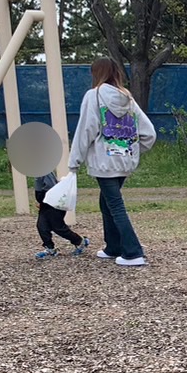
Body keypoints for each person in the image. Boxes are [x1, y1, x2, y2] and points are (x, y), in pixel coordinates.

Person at [67, 58, 157, 267]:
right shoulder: (128, 98)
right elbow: (149, 133)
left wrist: (74, 162)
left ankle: (133, 252)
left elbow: (85, 130)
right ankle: (113, 247)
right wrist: (132, 151)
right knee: (106, 202)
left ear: (96, 74)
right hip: (124, 161)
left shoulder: (94, 96)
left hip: (104, 163)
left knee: (115, 205)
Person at [32, 169, 88, 260]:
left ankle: (80, 241)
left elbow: (51, 186)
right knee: (41, 226)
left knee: (58, 227)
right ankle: (50, 248)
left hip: (52, 203)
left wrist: (43, 200)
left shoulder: (44, 171)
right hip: (45, 204)